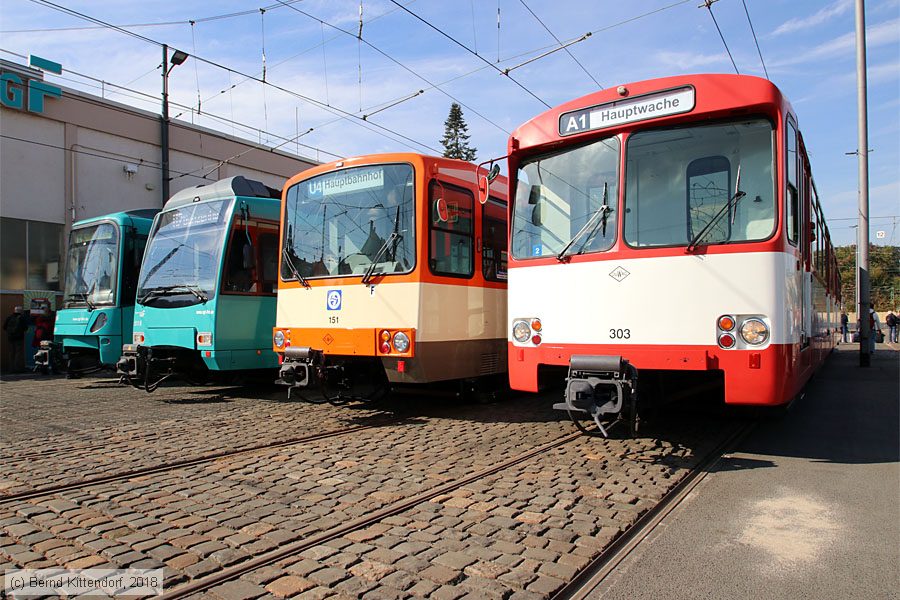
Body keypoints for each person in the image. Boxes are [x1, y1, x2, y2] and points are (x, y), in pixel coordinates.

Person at [3, 306, 28, 373]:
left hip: (10, 338)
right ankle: (18, 368)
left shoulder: (9, 317)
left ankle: (11, 369)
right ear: (20, 311)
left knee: (11, 353)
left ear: (14, 310)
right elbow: (25, 328)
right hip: (19, 338)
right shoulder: (21, 318)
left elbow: (4, 327)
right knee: (18, 353)